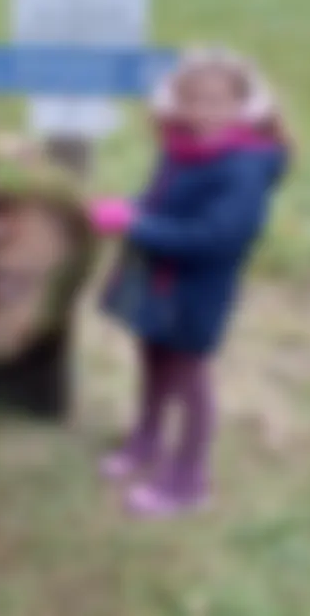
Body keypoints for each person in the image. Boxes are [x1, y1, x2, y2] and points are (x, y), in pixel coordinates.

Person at [89, 49, 288, 518]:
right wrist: (132, 208)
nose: (203, 112)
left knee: (188, 378)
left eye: (217, 101)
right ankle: (145, 443)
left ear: (244, 105)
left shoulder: (244, 166)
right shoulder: (179, 148)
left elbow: (219, 237)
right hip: (157, 282)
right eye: (192, 100)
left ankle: (187, 479)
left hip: (197, 292)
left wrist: (134, 226)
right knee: (152, 361)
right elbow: (160, 203)